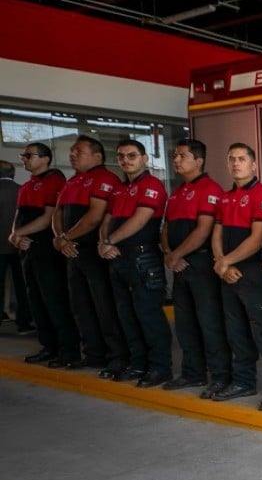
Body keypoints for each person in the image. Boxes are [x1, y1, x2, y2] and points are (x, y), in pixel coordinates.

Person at [210, 143, 262, 408]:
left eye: (242, 159)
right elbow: (216, 232)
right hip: (228, 272)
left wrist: (226, 262)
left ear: (254, 165)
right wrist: (223, 264)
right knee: (236, 331)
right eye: (231, 159)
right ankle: (243, 381)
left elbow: (257, 239)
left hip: (254, 273)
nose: (236, 164)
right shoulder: (225, 197)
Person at [99, 140, 172, 388]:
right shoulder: (118, 189)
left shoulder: (152, 185)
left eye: (132, 155)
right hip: (117, 257)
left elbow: (140, 220)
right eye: (121, 156)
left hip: (143, 258)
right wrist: (103, 242)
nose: (126, 160)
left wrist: (109, 241)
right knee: (126, 316)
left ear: (144, 158)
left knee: (148, 315)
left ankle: (161, 368)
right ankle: (138, 364)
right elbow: (107, 219)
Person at [161, 140, 231, 398]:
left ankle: (221, 376)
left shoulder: (210, 189)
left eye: (182, 156)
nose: (176, 160)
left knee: (209, 322)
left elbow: (203, 231)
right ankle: (193, 373)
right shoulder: (177, 193)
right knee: (185, 323)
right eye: (175, 155)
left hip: (201, 264)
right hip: (180, 265)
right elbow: (166, 228)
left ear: (199, 160)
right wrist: (170, 255)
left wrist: (177, 255)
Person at [52, 136, 128, 372]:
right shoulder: (72, 181)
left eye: (79, 151)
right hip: (71, 251)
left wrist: (66, 238)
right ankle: (93, 353)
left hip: (94, 252)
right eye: (72, 150)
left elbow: (95, 217)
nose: (73, 154)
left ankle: (117, 356)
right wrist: (59, 238)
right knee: (81, 306)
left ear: (97, 156)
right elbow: (58, 212)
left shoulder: (105, 179)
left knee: (104, 306)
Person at [11, 143, 78, 364]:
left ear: (46, 158)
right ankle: (48, 346)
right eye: (24, 155)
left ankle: (67, 350)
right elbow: (19, 215)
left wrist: (19, 233)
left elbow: (49, 217)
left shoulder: (55, 181)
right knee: (36, 300)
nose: (25, 159)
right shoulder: (26, 186)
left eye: (29, 155)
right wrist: (16, 236)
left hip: (47, 248)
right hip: (27, 248)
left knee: (55, 299)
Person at [0, 160, 33, 333]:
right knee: (22, 285)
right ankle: (23, 322)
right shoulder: (23, 190)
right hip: (20, 245)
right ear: (12, 173)